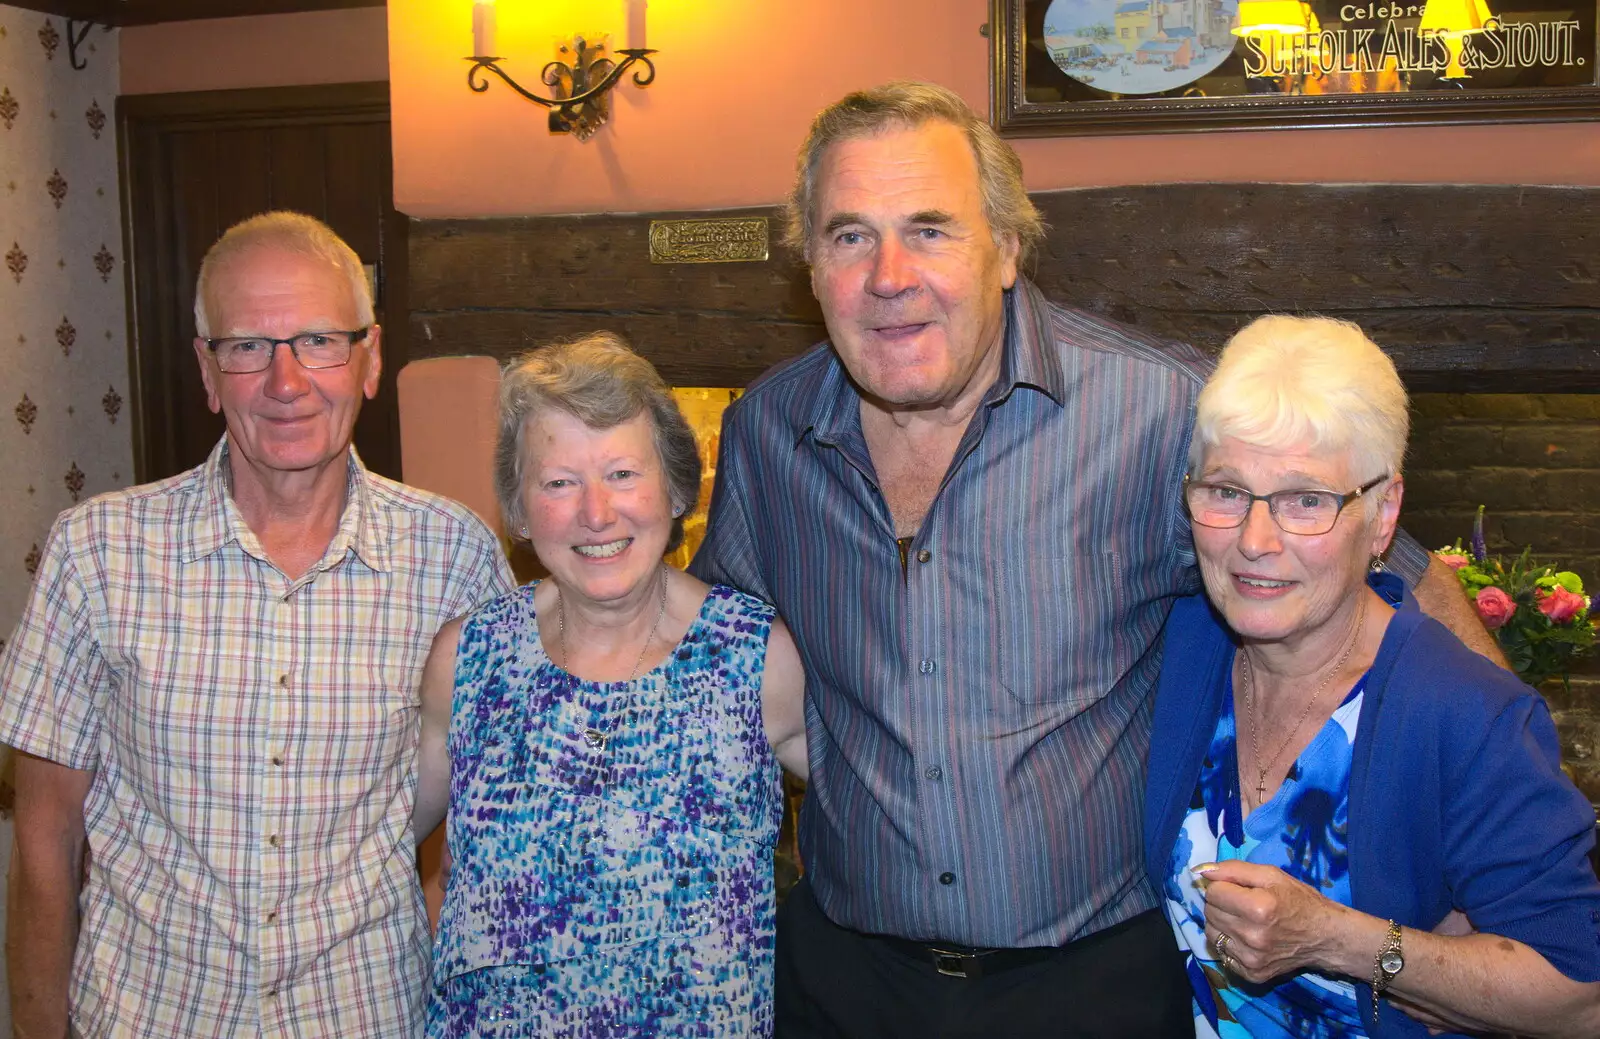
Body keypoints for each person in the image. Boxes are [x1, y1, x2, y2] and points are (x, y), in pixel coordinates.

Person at [689, 81, 1502, 1037]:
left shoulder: (1157, 411)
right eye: (849, 235)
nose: (889, 273)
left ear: (1006, 247)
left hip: (1096, 986)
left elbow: (1397, 574)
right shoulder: (766, 433)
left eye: (932, 229)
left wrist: (1485, 856)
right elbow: (704, 654)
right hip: (842, 977)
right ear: (811, 265)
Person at [0, 211, 514, 1038]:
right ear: (208, 372)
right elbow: (43, 839)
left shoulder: (453, 556)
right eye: (247, 347)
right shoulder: (95, 553)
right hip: (145, 1017)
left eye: (319, 340)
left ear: (370, 358)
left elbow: (481, 829)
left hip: (368, 1017)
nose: (286, 382)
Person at [1145, 314, 1600, 1038]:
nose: (1256, 542)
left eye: (1306, 500)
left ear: (1383, 513)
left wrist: (1343, 939)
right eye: (1227, 491)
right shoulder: (1187, 643)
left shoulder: (1467, 713)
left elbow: (1582, 995)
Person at [415, 333, 807, 1037]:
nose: (596, 513)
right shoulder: (469, 659)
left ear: (676, 486)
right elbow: (374, 845)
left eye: (623, 473)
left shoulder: (754, 657)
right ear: (521, 507)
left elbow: (878, 820)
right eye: (559, 482)